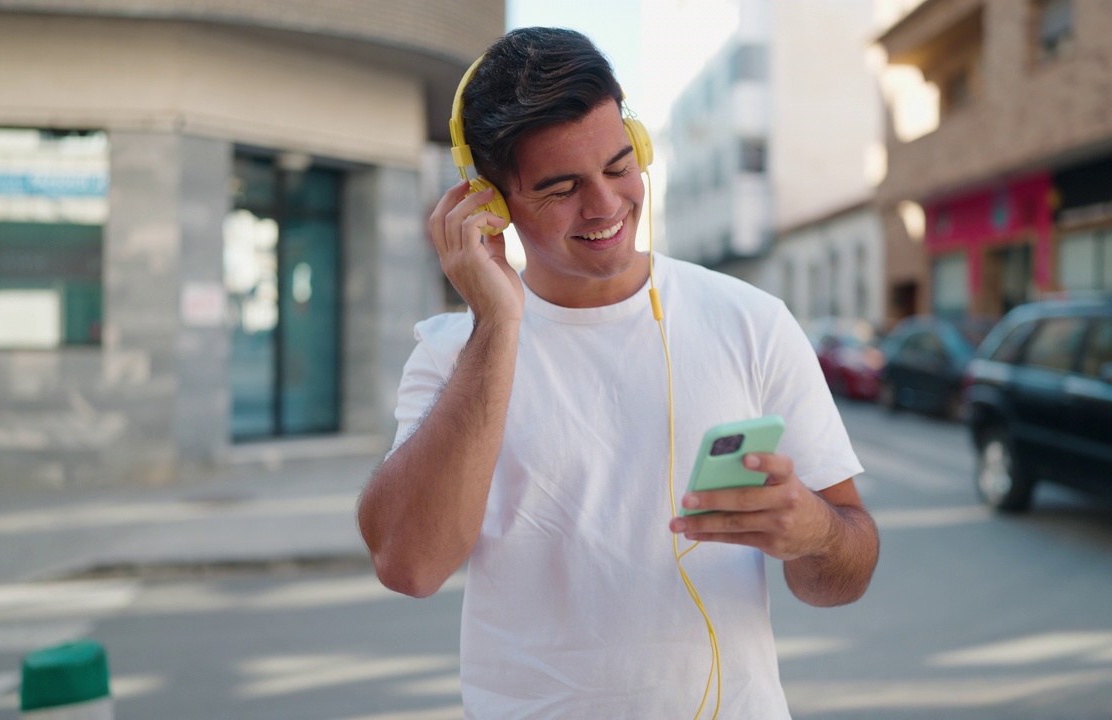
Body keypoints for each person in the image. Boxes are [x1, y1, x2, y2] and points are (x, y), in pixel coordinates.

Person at [357, 27, 879, 719]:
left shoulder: (753, 321)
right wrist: (499, 323)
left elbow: (845, 575)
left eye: (618, 164)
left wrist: (812, 531)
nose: (605, 205)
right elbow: (410, 566)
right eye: (561, 187)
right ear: (489, 202)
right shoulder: (455, 355)